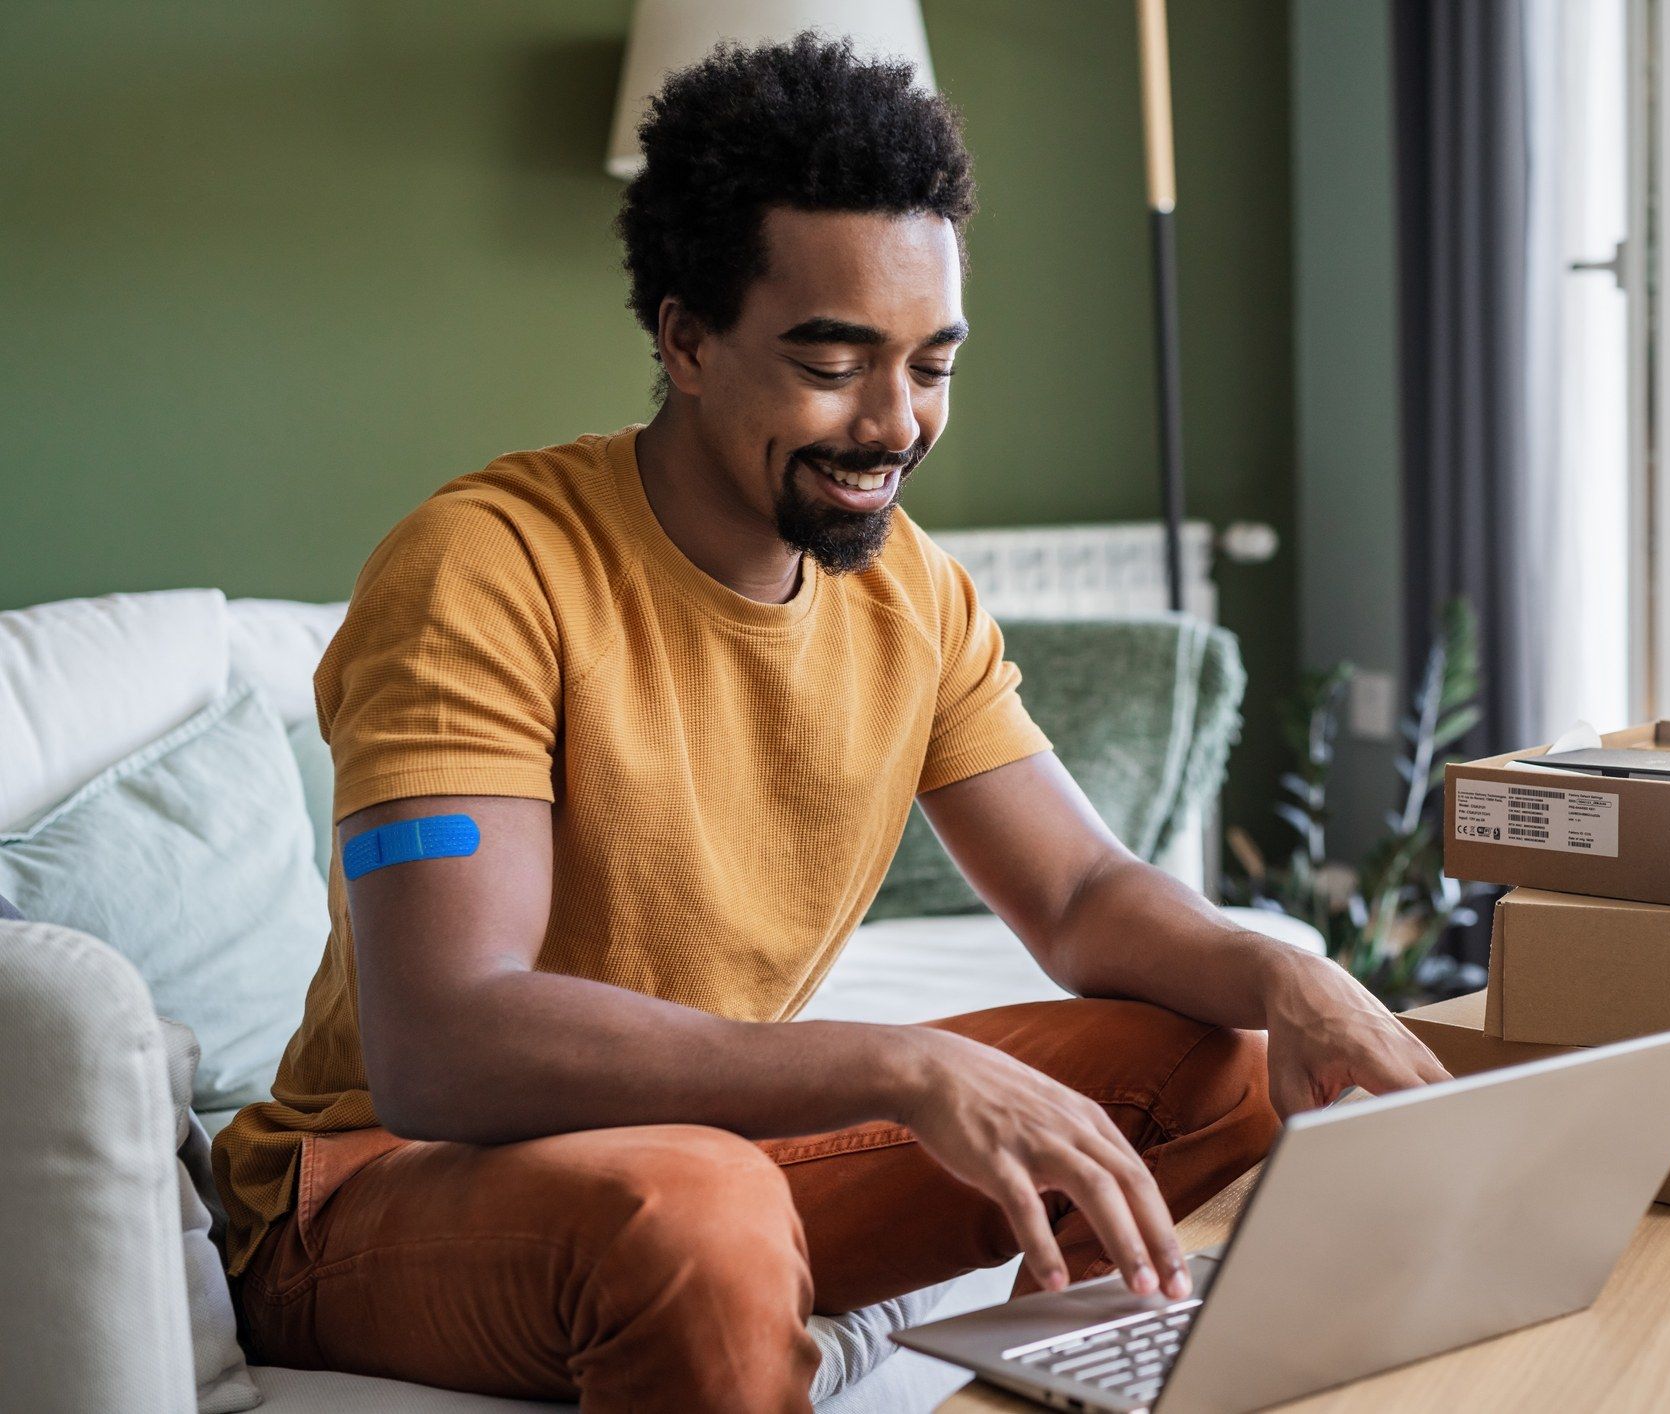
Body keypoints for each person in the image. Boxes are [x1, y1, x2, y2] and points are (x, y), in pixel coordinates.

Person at [211, 31, 1450, 1413]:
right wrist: (899, 1062)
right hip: (376, 1191)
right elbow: (445, 1039)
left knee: (1217, 1067)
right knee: (700, 1206)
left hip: (705, 1150)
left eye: (932, 364)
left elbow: (1081, 893)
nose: (894, 423)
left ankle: (1077, 1382)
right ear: (686, 338)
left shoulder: (912, 591)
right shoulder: (484, 568)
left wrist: (1286, 974)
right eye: (835, 361)